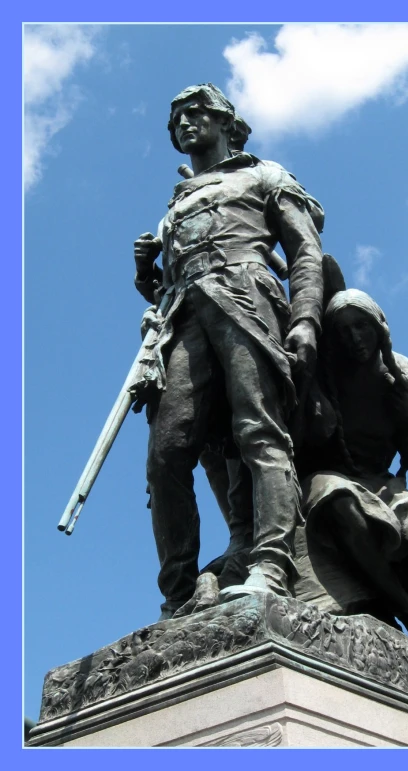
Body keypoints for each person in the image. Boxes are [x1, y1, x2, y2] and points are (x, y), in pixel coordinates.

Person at [131, 83, 324, 620]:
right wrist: (146, 272)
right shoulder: (175, 204)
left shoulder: (265, 176)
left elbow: (306, 250)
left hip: (247, 302)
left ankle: (271, 564)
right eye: (176, 121)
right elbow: (169, 287)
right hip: (184, 321)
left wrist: (306, 318)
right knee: (166, 454)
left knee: (258, 430)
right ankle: (180, 591)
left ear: (224, 120)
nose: (184, 125)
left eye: (195, 113)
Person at [293, 288, 408, 650]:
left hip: (386, 484)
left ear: (378, 327)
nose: (355, 338)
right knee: (336, 498)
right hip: (330, 476)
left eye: (362, 326)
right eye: (344, 330)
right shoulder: (322, 374)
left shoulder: (399, 370)